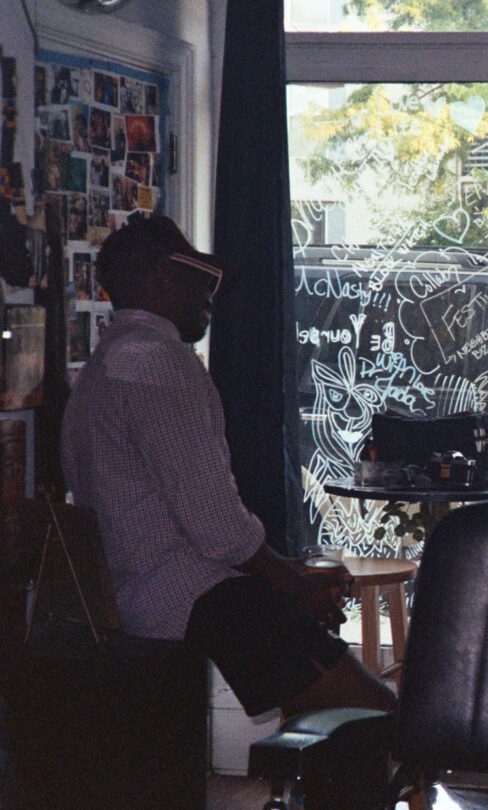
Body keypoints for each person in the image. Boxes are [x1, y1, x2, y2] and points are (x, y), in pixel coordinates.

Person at [61, 217, 396, 720]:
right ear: (163, 278)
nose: (211, 294)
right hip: (191, 599)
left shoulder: (104, 362)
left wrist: (286, 577)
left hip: (136, 595)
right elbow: (217, 528)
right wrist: (292, 582)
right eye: (201, 277)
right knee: (374, 715)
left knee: (321, 707)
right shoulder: (159, 361)